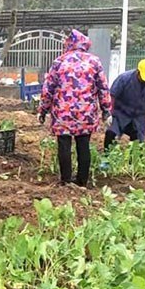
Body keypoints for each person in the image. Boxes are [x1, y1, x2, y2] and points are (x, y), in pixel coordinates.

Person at [38, 29, 111, 188]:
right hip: (85, 113)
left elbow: (48, 88)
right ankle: (82, 182)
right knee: (83, 145)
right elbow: (103, 88)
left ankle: (66, 181)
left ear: (69, 44)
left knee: (63, 145)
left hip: (63, 113)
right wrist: (106, 110)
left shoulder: (59, 62)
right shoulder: (94, 62)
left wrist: (42, 110)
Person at [104, 58, 145, 151]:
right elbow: (112, 97)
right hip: (120, 113)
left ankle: (134, 163)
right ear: (138, 72)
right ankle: (106, 160)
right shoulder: (124, 79)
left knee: (138, 144)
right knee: (111, 134)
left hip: (139, 116)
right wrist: (108, 113)